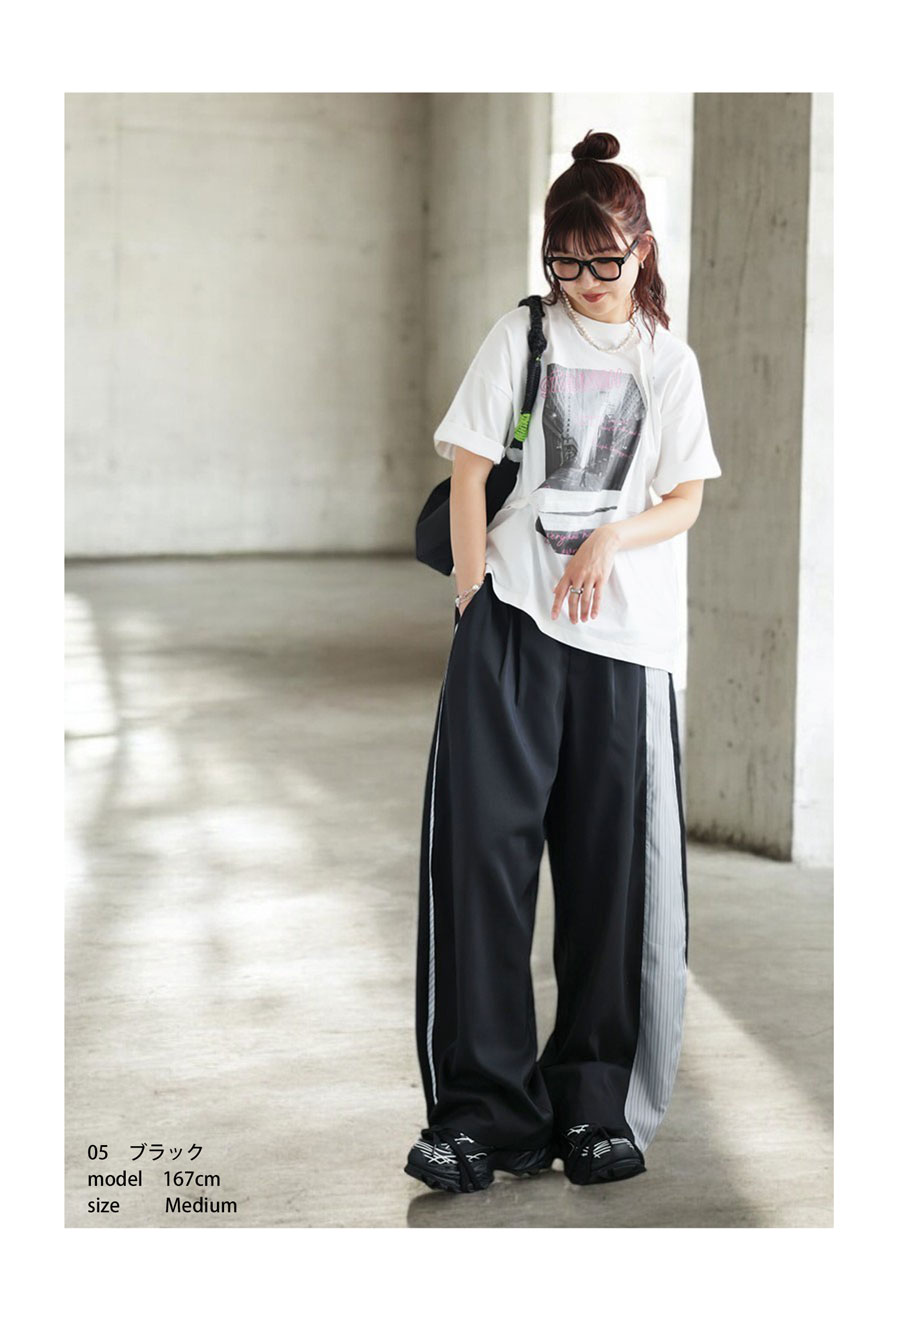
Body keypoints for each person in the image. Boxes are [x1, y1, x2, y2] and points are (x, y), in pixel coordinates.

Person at [404, 130, 722, 1195]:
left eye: (604, 260)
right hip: (510, 627)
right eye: (565, 261)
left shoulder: (667, 362)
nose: (585, 281)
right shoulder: (522, 335)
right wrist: (470, 597)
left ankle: (592, 1105)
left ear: (643, 249)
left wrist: (610, 538)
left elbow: (685, 498)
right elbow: (469, 471)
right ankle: (480, 1117)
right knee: (480, 871)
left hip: (624, 648)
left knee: (609, 884)